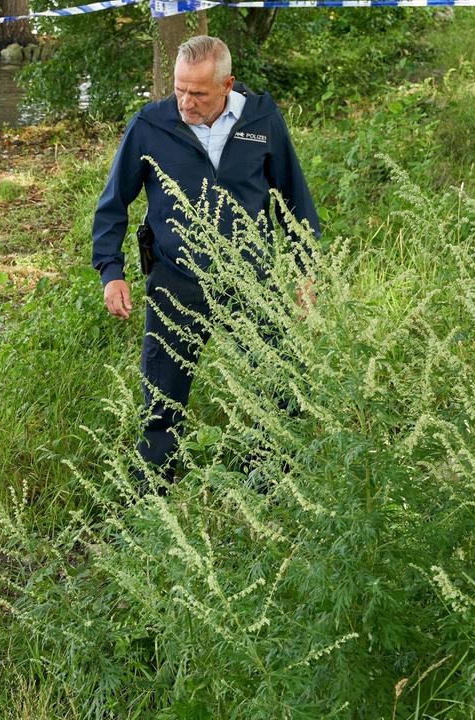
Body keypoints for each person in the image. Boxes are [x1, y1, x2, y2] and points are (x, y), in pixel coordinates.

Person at [91, 35, 320, 477]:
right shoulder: (150, 125)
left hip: (250, 278)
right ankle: (154, 494)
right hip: (177, 280)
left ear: (227, 85)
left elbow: (295, 202)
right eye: (179, 89)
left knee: (278, 387)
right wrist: (110, 270)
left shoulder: (262, 120)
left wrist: (306, 270)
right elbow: (113, 204)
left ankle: (269, 486)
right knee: (162, 400)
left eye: (197, 93)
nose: (185, 101)